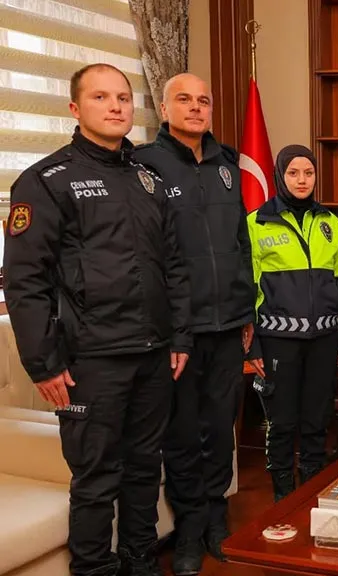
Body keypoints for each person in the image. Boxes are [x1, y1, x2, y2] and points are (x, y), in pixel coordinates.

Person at [3, 63, 191, 576]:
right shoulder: (46, 181)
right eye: (101, 97)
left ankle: (140, 562)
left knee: (143, 469)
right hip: (91, 360)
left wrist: (179, 337)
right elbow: (25, 281)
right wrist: (43, 364)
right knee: (96, 478)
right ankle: (92, 569)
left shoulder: (149, 180)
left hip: (154, 354)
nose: (115, 107)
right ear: (75, 108)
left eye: (123, 98)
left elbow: (173, 267)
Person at [133, 72, 254, 574]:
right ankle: (188, 530)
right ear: (165, 109)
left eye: (204, 100)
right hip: (177, 332)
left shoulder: (227, 165)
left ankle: (216, 520)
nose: (196, 107)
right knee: (183, 434)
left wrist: (247, 312)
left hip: (228, 325)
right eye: (184, 99)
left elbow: (241, 244)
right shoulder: (144, 165)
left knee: (220, 429)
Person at [247, 145, 338, 501]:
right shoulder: (256, 223)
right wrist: (253, 345)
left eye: (308, 173)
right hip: (276, 341)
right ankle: (283, 497)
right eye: (293, 173)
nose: (302, 180)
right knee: (282, 422)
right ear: (280, 176)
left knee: (317, 420)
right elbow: (247, 289)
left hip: (324, 339)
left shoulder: (331, 223)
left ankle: (310, 494)